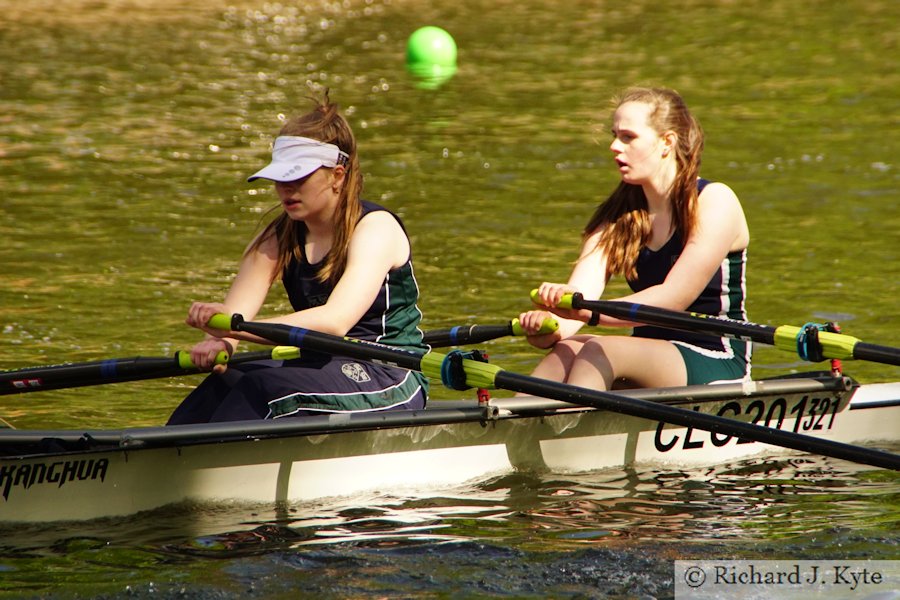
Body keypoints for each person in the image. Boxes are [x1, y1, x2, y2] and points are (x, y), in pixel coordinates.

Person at [167, 92, 428, 424]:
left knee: (265, 385)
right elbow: (236, 316)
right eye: (280, 178)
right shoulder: (279, 235)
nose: (286, 189)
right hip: (319, 367)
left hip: (389, 373)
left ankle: (207, 465)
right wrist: (219, 342)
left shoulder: (376, 229)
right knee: (228, 379)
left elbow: (335, 322)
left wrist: (232, 328)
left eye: (298, 177)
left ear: (338, 175)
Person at [519, 87, 751, 391]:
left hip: (714, 355)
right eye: (615, 135)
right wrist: (548, 327)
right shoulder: (618, 217)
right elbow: (580, 299)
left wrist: (586, 311)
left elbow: (673, 298)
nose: (615, 146)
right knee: (567, 350)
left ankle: (573, 433)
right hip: (647, 355)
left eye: (628, 137)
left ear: (666, 142)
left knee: (599, 351)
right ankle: (514, 428)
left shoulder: (715, 201)